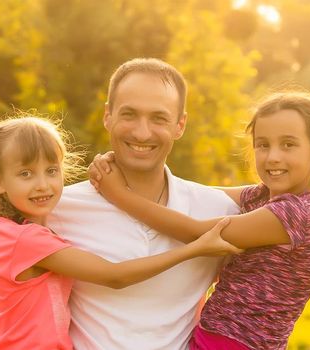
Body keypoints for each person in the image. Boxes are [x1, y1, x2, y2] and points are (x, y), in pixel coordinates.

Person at [89, 91, 310, 349]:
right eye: (263, 145)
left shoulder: (294, 213)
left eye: (288, 144)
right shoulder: (263, 196)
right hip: (216, 338)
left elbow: (197, 232)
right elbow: (198, 193)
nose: (273, 156)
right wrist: (137, 172)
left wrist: (118, 194)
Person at [0, 115, 240, 350]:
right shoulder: (27, 240)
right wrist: (196, 248)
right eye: (26, 174)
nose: (42, 185)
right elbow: (114, 276)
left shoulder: (7, 231)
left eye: (52, 171)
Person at [45, 58, 242, 349]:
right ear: (107, 116)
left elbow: (287, 203)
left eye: (159, 118)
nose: (141, 132)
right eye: (129, 115)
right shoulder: (58, 209)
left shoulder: (218, 210)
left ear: (180, 125)